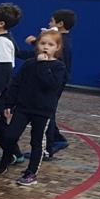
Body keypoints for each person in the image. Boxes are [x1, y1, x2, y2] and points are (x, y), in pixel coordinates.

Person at [0, 30, 68, 186]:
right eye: (43, 43)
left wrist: (43, 65)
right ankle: (6, 159)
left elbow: (51, 85)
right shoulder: (29, 64)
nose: (45, 47)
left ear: (57, 47)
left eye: (50, 44)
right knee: (10, 136)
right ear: (37, 45)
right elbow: (16, 83)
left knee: (37, 142)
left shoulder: (59, 67)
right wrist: (9, 103)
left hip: (42, 111)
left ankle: (31, 172)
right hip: (23, 108)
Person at [20, 9, 75, 157]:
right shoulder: (64, 40)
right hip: (55, 81)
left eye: (51, 21)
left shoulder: (62, 42)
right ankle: (57, 139)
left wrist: (34, 42)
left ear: (60, 24)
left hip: (53, 82)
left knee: (46, 113)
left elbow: (49, 58)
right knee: (48, 113)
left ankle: (47, 147)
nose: (49, 24)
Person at [0, 3, 23, 167]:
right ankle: (15, 153)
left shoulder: (1, 42)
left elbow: (5, 69)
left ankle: (13, 153)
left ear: (1, 23)